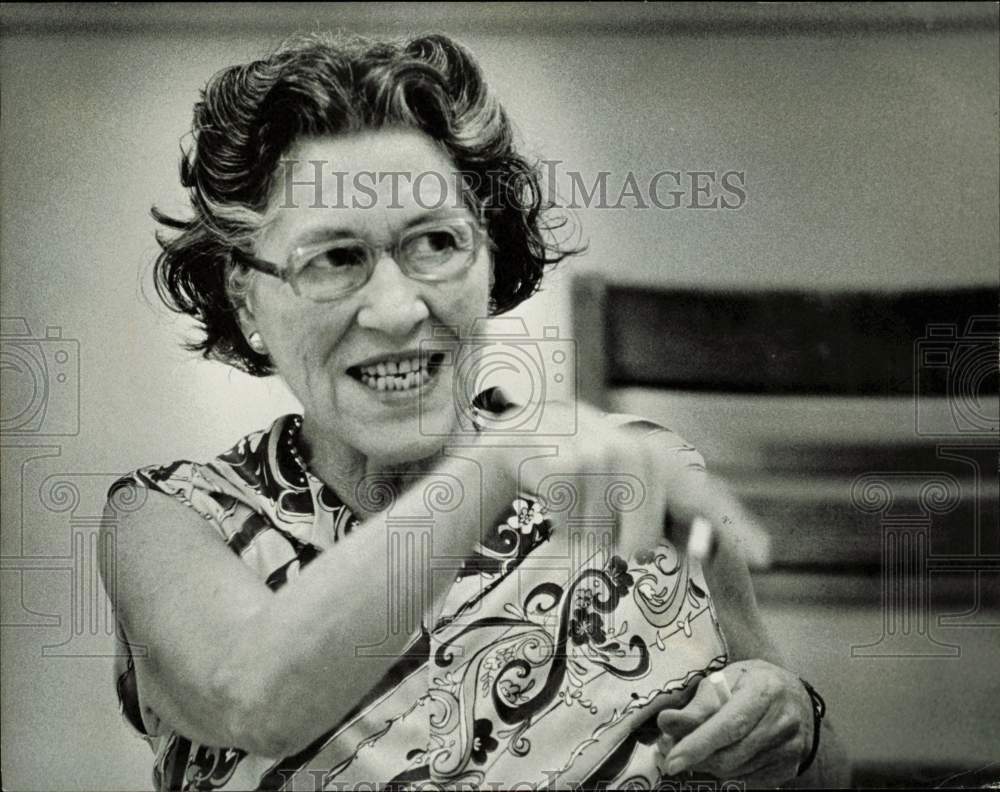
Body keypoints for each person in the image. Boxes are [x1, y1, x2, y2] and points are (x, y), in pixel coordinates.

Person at [102, 33, 848, 790]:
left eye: (434, 243)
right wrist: (491, 463)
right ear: (242, 292)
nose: (396, 310)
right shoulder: (170, 519)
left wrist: (796, 719)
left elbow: (813, 769)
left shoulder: (640, 470)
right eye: (333, 258)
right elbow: (249, 698)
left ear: (489, 257)